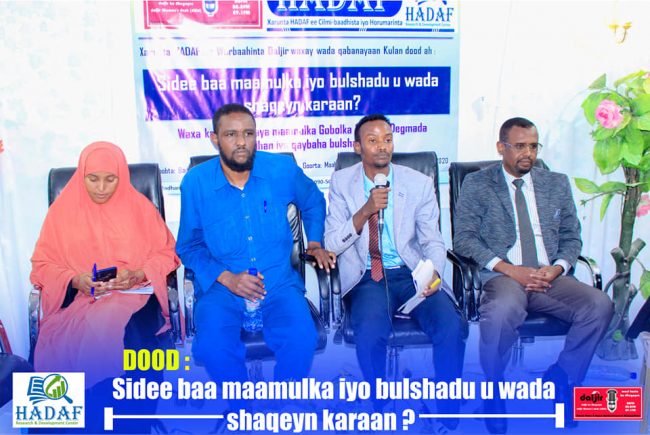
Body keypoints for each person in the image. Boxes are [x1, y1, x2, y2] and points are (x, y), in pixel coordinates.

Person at [453, 117, 614, 433]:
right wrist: (511, 269)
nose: (527, 153)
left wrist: (557, 268)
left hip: (548, 277)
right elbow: (464, 238)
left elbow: (571, 237)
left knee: (599, 305)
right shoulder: (478, 184)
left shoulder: (556, 183)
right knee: (501, 311)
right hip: (504, 276)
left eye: (533, 146)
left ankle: (563, 377)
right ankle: (493, 389)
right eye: (519, 146)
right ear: (501, 147)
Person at [324, 114, 467, 430]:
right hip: (367, 276)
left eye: (387, 139)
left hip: (411, 272)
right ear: (358, 147)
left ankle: (447, 413)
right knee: (369, 331)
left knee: (450, 325)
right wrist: (365, 210)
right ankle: (381, 404)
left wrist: (433, 273)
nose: (382, 146)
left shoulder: (418, 182)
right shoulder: (342, 182)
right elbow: (332, 243)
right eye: (373, 140)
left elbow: (432, 240)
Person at [176, 103, 335, 385]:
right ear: (215, 139)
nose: (242, 142)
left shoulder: (281, 170)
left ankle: (281, 403)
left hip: (278, 284)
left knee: (302, 338)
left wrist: (313, 242)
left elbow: (313, 201)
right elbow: (189, 246)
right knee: (212, 347)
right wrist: (227, 278)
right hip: (222, 289)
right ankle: (241, 405)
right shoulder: (196, 183)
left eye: (248, 134)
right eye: (231, 134)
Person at [30, 141, 180, 432]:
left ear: (121, 176)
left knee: (131, 340)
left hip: (134, 299)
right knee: (56, 345)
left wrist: (137, 273)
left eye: (110, 179)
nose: (101, 188)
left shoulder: (140, 208)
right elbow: (42, 265)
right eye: (93, 179)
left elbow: (167, 254)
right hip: (78, 301)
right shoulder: (61, 213)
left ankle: (127, 427)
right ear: (81, 176)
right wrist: (75, 279)